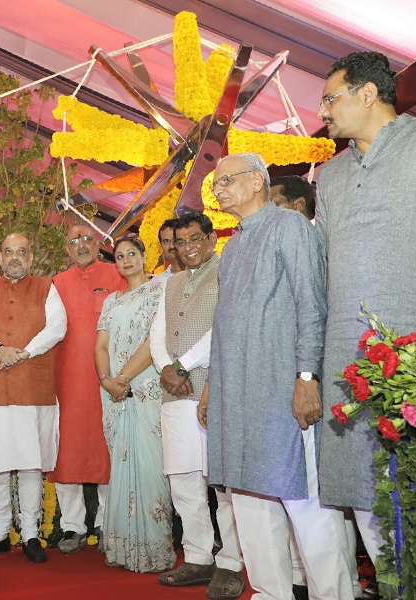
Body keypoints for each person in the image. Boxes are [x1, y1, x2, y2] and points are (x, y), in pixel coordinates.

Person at [315, 51, 416, 584]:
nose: (323, 112)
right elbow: (321, 270)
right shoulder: (330, 176)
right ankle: (388, 585)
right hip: (348, 362)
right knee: (363, 491)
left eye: (330, 98)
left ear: (367, 94)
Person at [202, 152, 353, 599]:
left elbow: (313, 306)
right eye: (215, 184)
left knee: (305, 504)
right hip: (236, 394)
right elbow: (224, 323)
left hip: (281, 392)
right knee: (248, 501)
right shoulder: (232, 247)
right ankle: (270, 592)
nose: (217, 189)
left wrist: (307, 376)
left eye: (225, 180)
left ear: (255, 182)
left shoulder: (289, 228)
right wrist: (213, 383)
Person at [271, 174, 364, 600]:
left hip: (325, 378)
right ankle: (328, 585)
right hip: (302, 380)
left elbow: (313, 313)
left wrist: (307, 378)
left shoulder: (312, 241)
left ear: (300, 206)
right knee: (321, 497)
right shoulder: (282, 242)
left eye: (276, 204)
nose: (270, 214)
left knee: (331, 496)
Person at [148, 213, 245, 598]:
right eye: (180, 240)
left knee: (222, 482)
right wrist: (167, 369)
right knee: (184, 479)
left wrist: (183, 364)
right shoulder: (170, 283)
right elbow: (157, 333)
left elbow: (224, 326)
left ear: (210, 239)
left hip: (213, 388)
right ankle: (198, 556)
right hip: (174, 393)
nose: (187, 246)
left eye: (194, 239)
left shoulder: (226, 272)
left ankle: (231, 563)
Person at [0, 233, 67, 564]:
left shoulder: (46, 287)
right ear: (0, 257)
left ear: (30, 257)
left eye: (21, 251)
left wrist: (25, 352)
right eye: (9, 252)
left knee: (30, 463)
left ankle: (30, 534)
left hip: (32, 385)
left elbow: (57, 327)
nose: (15, 257)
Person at [95, 234, 174, 573]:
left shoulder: (160, 291)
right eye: (119, 256)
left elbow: (153, 341)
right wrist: (106, 381)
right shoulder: (110, 301)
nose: (125, 260)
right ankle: (122, 547)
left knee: (150, 464)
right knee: (121, 464)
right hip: (113, 392)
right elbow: (100, 346)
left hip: (144, 388)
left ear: (144, 256)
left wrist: (123, 379)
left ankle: (153, 549)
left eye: (131, 253)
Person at [50, 223, 124, 553]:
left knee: (108, 448)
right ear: (66, 249)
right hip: (67, 380)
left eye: (86, 239)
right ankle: (71, 527)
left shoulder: (117, 274)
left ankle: (108, 523)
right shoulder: (56, 283)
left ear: (98, 244)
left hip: (109, 379)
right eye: (73, 241)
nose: (80, 245)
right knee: (68, 451)